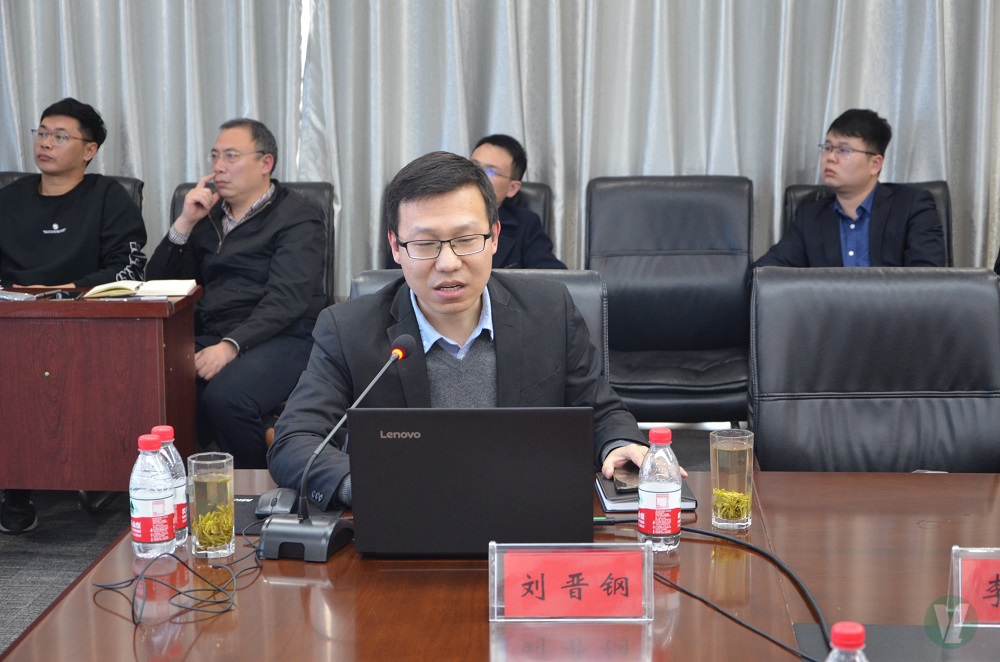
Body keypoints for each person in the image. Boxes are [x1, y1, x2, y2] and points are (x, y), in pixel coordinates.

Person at [268, 151, 664, 511]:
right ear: (396, 247)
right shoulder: (348, 329)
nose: (448, 263)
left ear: (494, 238)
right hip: (406, 524)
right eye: (425, 244)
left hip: (527, 517)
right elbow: (295, 440)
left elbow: (601, 412)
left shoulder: (550, 311)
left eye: (466, 240)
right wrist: (365, 487)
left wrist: (619, 444)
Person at [0, 97, 147, 535]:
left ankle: (57, 480)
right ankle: (15, 485)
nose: (45, 143)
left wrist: (63, 292)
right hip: (11, 321)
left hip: (85, 323)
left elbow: (129, 268)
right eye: (42, 133)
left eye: (60, 136)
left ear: (89, 150)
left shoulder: (108, 198)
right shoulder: (8, 200)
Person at [146, 118, 326, 469]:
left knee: (226, 398)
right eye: (215, 156)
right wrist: (185, 223)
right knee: (152, 378)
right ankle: (181, 481)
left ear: (265, 163)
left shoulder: (298, 217)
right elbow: (160, 288)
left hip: (286, 335)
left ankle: (263, 484)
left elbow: (286, 300)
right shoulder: (209, 215)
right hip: (216, 330)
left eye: (231, 156)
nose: (218, 167)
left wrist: (230, 346)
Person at [756, 109, 945, 268]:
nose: (830, 157)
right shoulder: (810, 217)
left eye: (844, 150)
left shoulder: (911, 206)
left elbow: (926, 281)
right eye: (828, 148)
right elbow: (763, 274)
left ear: (875, 164)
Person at [384, 134, 565, 270]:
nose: (478, 175)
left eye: (491, 171)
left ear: (513, 188)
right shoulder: (423, 214)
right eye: (475, 166)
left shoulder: (526, 223)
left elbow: (552, 277)